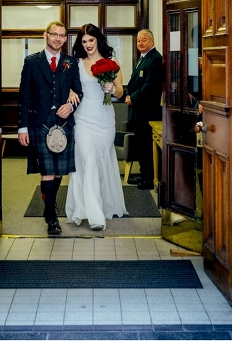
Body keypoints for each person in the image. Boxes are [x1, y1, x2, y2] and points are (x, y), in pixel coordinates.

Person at [18, 21, 83, 236]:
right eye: (54, 34)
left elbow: (79, 93)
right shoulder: (32, 62)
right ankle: (52, 217)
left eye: (62, 36)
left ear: (65, 39)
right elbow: (24, 97)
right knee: (48, 171)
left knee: (58, 172)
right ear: (45, 35)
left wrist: (70, 105)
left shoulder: (71, 63)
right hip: (40, 122)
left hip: (63, 122)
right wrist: (22, 128)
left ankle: (48, 206)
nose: (57, 38)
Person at [65, 24, 128, 231]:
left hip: (105, 120)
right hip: (83, 119)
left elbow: (120, 92)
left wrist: (112, 88)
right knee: (88, 161)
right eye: (84, 42)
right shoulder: (76, 63)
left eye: (91, 40)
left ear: (98, 40)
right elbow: (65, 87)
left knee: (101, 162)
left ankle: (102, 204)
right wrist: (69, 94)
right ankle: (94, 216)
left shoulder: (112, 62)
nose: (88, 45)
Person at [125, 29, 163, 190]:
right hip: (138, 111)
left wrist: (133, 98)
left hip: (147, 111)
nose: (140, 43)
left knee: (147, 146)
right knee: (141, 146)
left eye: (144, 40)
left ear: (152, 42)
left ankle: (149, 178)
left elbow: (150, 86)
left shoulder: (155, 59)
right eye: (139, 40)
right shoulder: (143, 58)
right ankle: (143, 174)